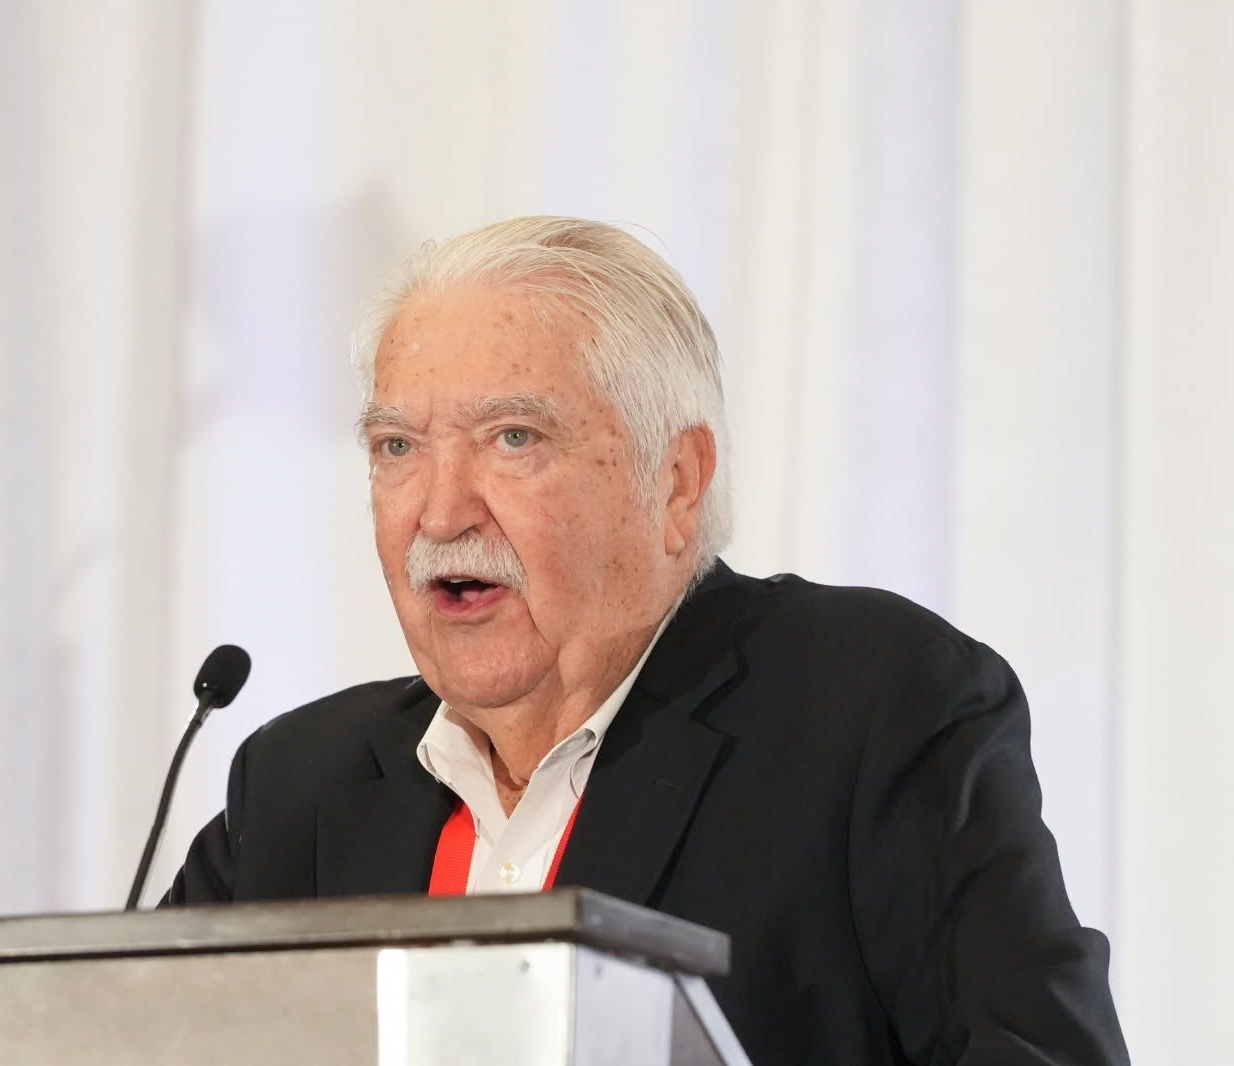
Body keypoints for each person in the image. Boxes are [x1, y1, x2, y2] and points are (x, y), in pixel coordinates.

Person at [167, 217, 1128, 1064]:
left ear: (674, 482)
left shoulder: (868, 706)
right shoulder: (299, 784)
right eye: (396, 448)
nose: (439, 511)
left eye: (511, 438)